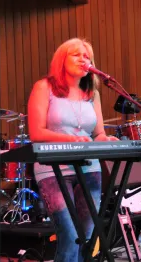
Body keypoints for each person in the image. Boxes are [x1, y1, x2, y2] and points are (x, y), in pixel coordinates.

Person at [27, 38, 119, 262]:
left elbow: (97, 133)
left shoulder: (92, 94)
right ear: (62, 59)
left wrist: (106, 139)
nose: (84, 59)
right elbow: (36, 133)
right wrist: (69, 139)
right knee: (69, 236)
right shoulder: (44, 87)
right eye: (77, 54)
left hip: (89, 169)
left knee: (87, 237)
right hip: (52, 170)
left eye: (87, 56)